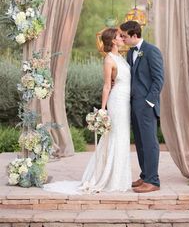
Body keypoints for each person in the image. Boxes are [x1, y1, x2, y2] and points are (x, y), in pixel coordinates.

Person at [43, 27, 132, 194]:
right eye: (120, 36)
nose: (123, 38)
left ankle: (119, 177)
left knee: (122, 137)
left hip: (126, 102)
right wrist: (103, 110)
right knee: (115, 137)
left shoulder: (121, 57)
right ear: (113, 40)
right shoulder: (109, 60)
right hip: (117, 102)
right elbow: (106, 86)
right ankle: (108, 178)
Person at [120, 20, 164, 193]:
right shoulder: (130, 53)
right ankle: (145, 175)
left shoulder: (152, 51)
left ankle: (153, 181)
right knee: (139, 142)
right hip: (133, 105)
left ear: (134, 35)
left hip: (146, 106)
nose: (122, 39)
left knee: (150, 143)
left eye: (124, 36)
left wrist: (148, 102)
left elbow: (158, 79)